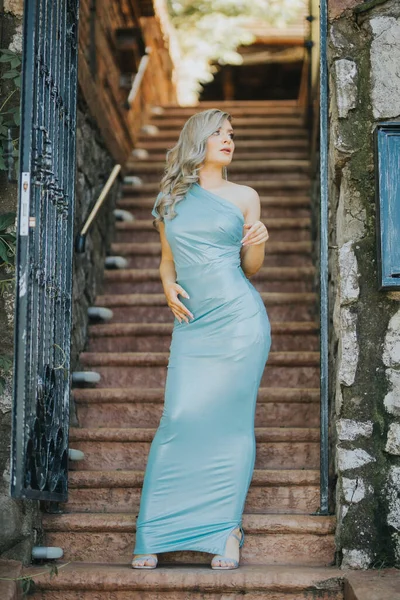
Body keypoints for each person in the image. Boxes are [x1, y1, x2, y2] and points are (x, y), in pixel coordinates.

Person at [131, 108, 271, 570]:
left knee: (231, 427)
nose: (228, 140)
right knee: (178, 419)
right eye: (218, 133)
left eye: (231, 133)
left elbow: (250, 269)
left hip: (238, 321)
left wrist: (260, 240)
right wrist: (166, 284)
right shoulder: (171, 197)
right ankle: (154, 532)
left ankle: (225, 533)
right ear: (198, 140)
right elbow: (168, 260)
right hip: (193, 324)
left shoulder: (246, 195)